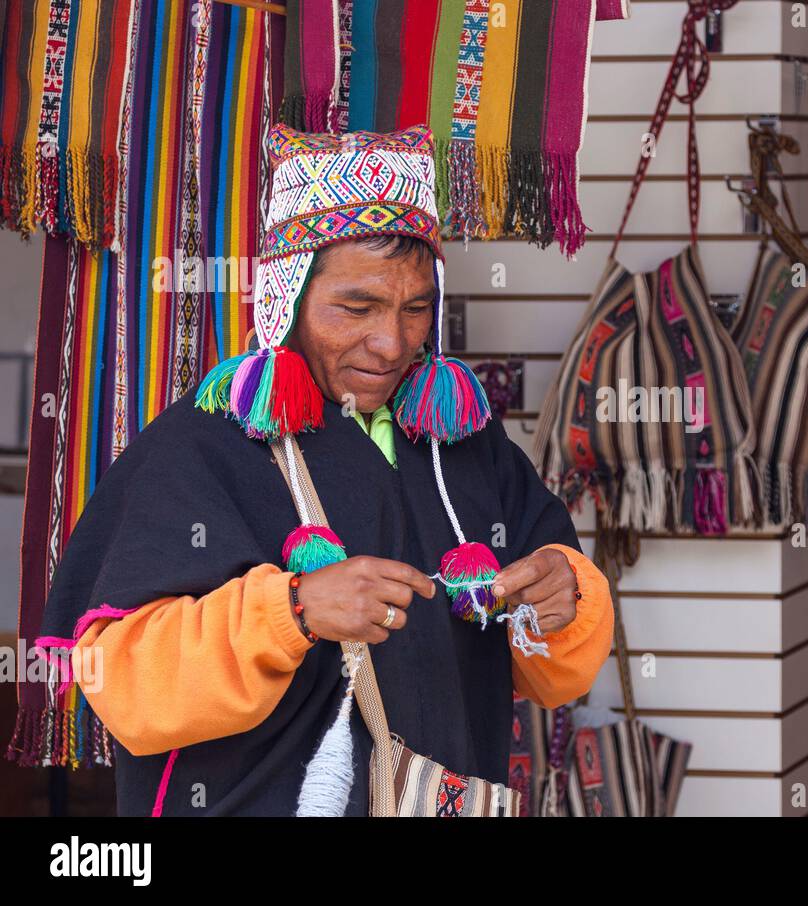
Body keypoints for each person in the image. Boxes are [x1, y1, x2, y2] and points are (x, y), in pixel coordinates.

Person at [35, 123, 613, 816]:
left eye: (416, 308)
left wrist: (561, 604)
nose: (391, 342)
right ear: (286, 295)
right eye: (356, 307)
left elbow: (550, 674)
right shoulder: (201, 447)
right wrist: (294, 611)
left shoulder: (464, 444)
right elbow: (122, 684)